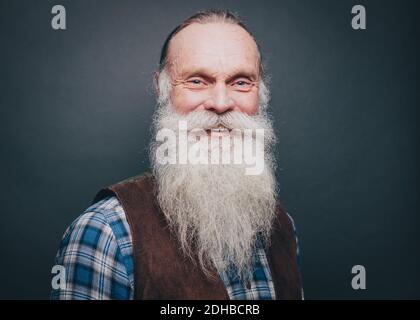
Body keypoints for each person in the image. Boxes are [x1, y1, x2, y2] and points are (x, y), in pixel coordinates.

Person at [51, 9, 303, 300]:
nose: (221, 103)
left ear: (262, 95)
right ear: (161, 90)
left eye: (241, 82)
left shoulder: (283, 226)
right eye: (197, 81)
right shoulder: (105, 233)